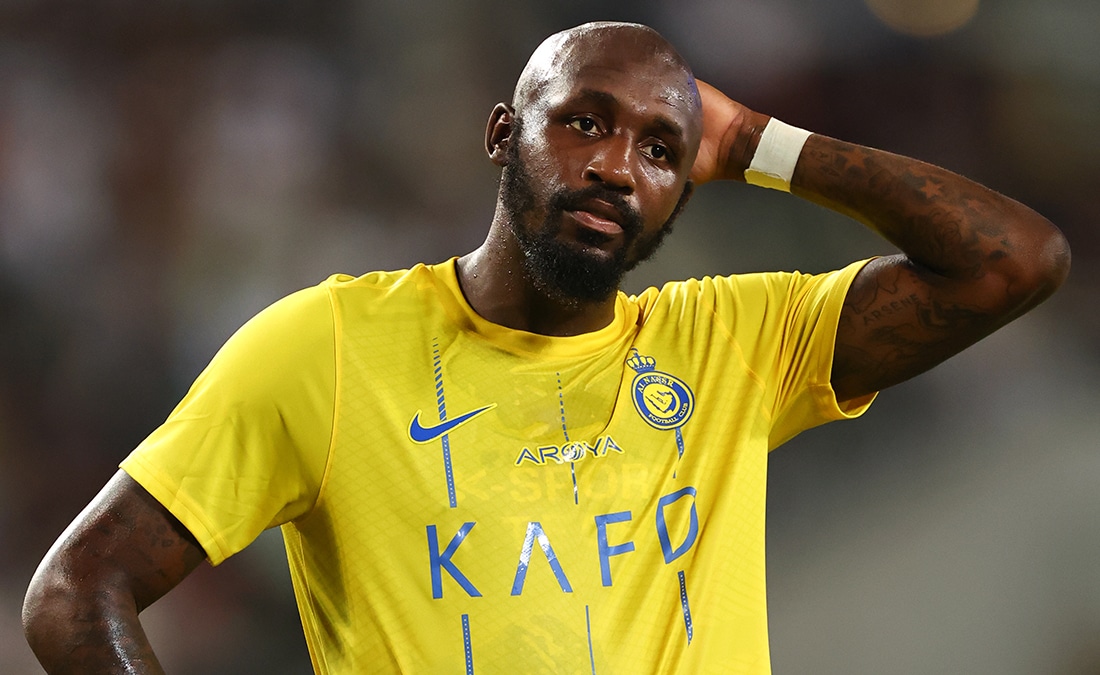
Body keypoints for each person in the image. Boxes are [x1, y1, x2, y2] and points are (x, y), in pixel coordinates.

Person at [23, 21, 1069, 674]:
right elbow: (76, 593)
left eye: (659, 148)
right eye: (584, 122)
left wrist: (760, 143)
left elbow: (1013, 262)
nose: (617, 166)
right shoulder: (326, 348)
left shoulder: (730, 343)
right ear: (501, 134)